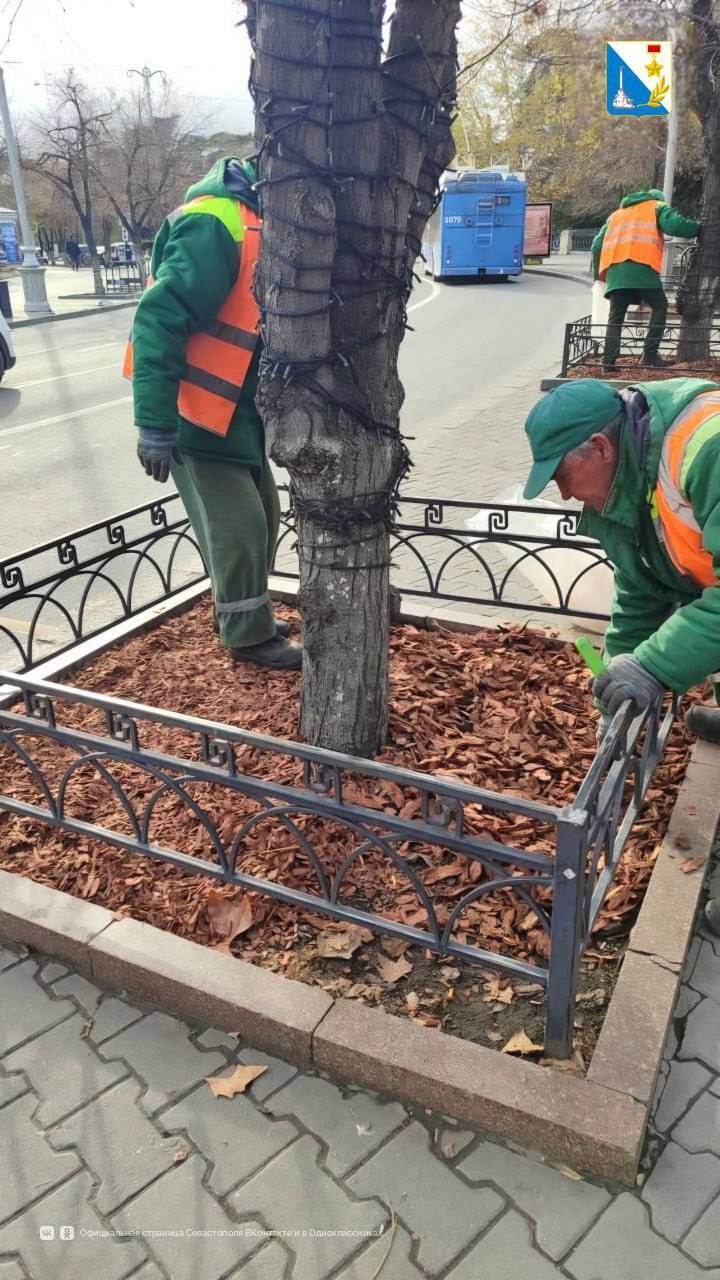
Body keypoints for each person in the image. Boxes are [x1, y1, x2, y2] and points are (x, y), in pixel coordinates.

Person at [523, 376, 720, 934]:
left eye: (561, 475)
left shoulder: (707, 447)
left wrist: (655, 667)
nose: (562, 494)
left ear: (602, 448)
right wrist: (622, 674)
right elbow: (642, 586)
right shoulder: (626, 483)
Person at [123, 155, 301, 670]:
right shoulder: (215, 221)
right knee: (239, 528)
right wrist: (155, 423)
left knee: (265, 518)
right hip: (195, 412)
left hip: (236, 414)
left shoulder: (260, 218)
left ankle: (243, 613)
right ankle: (247, 637)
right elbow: (159, 318)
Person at [591, 190, 700, 373]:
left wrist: (599, 276)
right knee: (659, 306)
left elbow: (596, 245)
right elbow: (675, 225)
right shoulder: (657, 206)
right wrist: (698, 228)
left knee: (615, 319)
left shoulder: (615, 215)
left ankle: (608, 363)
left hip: (616, 273)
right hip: (642, 267)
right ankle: (649, 355)